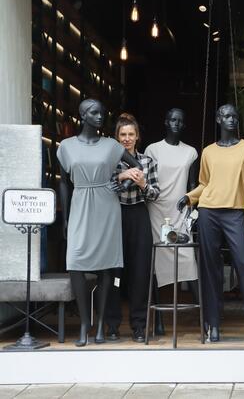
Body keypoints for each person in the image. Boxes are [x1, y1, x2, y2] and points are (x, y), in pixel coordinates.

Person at [178, 104, 244, 345]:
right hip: (208, 212)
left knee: (243, 263)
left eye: (235, 116)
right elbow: (205, 184)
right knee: (210, 268)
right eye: (227, 116)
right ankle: (213, 324)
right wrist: (189, 197)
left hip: (235, 213)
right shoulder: (208, 151)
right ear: (218, 119)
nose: (232, 120)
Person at [57, 99, 143, 346]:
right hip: (80, 203)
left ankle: (101, 326)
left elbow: (137, 166)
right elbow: (63, 182)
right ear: (83, 115)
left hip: (107, 205)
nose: (100, 117)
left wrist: (123, 183)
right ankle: (85, 323)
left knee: (107, 267)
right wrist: (64, 218)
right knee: (75, 263)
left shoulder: (111, 146)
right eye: (94, 113)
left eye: (102, 113)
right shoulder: (67, 146)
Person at [105, 113, 160, 342]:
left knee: (140, 272)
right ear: (116, 137)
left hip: (139, 215)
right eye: (122, 135)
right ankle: (112, 325)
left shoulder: (148, 161)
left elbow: (155, 195)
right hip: (114, 216)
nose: (127, 138)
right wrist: (121, 176)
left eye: (131, 134)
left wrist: (142, 183)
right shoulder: (107, 160)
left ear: (137, 136)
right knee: (114, 272)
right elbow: (101, 189)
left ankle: (139, 325)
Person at [145, 108, 199, 335]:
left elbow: (194, 186)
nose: (176, 123)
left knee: (188, 260)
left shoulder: (191, 153)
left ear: (184, 125)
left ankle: (203, 316)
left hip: (180, 212)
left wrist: (191, 212)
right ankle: (158, 320)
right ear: (165, 122)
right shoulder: (152, 149)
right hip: (156, 210)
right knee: (156, 263)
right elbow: (148, 181)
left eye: (180, 120)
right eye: (172, 119)